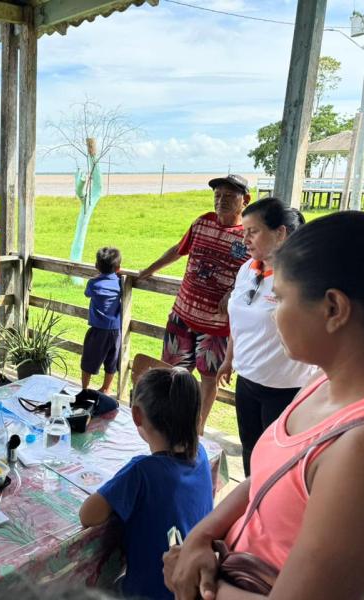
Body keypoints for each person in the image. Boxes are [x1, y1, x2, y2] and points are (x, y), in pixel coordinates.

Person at [164, 211, 364, 600]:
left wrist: (196, 582)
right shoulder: (324, 383)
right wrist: (200, 537)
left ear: (333, 309)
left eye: (280, 299)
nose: (273, 314)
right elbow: (263, 480)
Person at [80, 367, 213, 600]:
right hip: (189, 587)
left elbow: (87, 515)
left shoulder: (142, 472)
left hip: (146, 593)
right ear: (196, 417)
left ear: (137, 415)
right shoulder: (201, 454)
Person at [137, 174, 250, 431]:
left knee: (208, 379)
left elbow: (257, 272)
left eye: (229, 197)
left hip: (216, 325)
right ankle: (170, 424)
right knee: (172, 373)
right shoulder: (202, 222)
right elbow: (179, 249)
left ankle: (196, 430)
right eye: (217, 196)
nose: (221, 201)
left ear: (245, 200)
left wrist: (235, 291)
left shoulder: (248, 235)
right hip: (183, 314)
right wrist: (149, 269)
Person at [216, 197, 314, 476]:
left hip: (285, 387)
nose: (245, 239)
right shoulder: (247, 269)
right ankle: (251, 507)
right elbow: (238, 318)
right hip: (247, 379)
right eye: (244, 231)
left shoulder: (299, 278)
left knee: (277, 461)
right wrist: (229, 359)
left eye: (253, 231)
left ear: (280, 233)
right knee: (250, 448)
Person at [80, 247, 122, 394]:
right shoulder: (119, 283)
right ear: (118, 268)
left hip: (97, 330)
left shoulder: (93, 284)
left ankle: (84, 389)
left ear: (96, 266)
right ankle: (106, 388)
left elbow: (87, 294)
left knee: (89, 359)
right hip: (116, 330)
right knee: (112, 360)